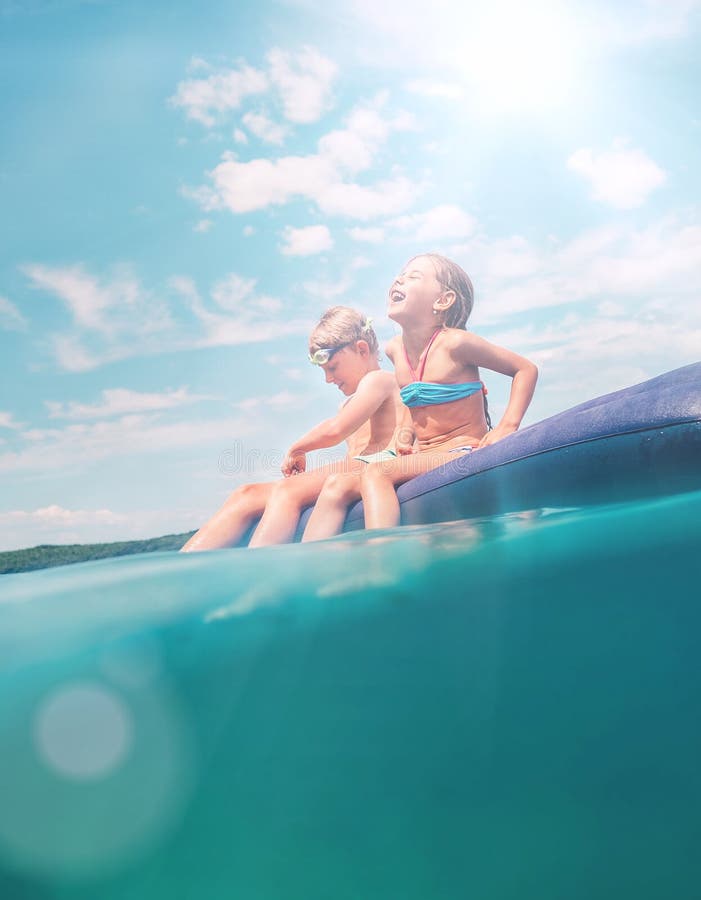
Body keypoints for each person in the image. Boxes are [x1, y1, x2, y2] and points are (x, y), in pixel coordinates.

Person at [301, 253, 538, 540]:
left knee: (377, 474)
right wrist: (404, 437)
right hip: (423, 454)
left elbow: (525, 369)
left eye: (414, 277)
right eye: (401, 274)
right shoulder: (395, 350)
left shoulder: (456, 343)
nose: (399, 279)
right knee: (337, 484)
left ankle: (383, 558)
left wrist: (506, 427)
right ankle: (310, 567)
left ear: (443, 300)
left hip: (460, 449)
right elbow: (415, 405)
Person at [180, 306, 410, 552]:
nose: (328, 379)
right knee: (245, 494)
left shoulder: (380, 380)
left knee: (287, 491)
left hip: (375, 465)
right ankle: (183, 563)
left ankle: (258, 568)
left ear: (362, 349)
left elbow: (336, 429)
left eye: (332, 367)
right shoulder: (350, 400)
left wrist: (298, 448)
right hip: (352, 470)